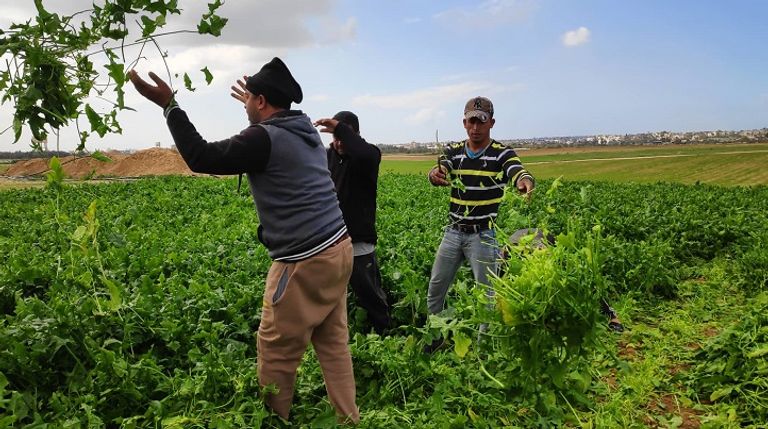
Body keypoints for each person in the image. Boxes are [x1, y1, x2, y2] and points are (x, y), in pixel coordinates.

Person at [128, 57, 359, 423]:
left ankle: (272, 421)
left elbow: (201, 156)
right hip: (339, 249)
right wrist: (256, 106)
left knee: (276, 354)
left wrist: (169, 106)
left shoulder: (263, 138)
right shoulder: (305, 130)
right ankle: (349, 419)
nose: (247, 102)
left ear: (263, 102)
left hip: (304, 263)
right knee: (333, 346)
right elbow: (267, 134)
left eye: (251, 97)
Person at [426, 96, 535, 327]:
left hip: (483, 237)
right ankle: (434, 337)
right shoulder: (453, 151)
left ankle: (484, 348)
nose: (475, 128)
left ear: (491, 123)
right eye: (471, 121)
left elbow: (516, 169)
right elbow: (441, 167)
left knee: (487, 296)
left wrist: (523, 180)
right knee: (436, 287)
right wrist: (434, 175)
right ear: (464, 122)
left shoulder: (501, 153)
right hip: (453, 233)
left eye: (481, 122)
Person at [314, 111, 392, 335]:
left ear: (354, 134)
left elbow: (363, 152)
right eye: (335, 138)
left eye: (343, 137)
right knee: (329, 295)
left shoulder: (367, 156)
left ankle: (384, 333)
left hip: (358, 240)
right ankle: (336, 334)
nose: (338, 143)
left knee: (369, 293)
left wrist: (341, 129)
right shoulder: (327, 156)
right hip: (330, 240)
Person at [507, 228, 625, 332]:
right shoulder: (508, 258)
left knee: (577, 280)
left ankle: (611, 315)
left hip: (539, 239)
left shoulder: (544, 253)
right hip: (519, 245)